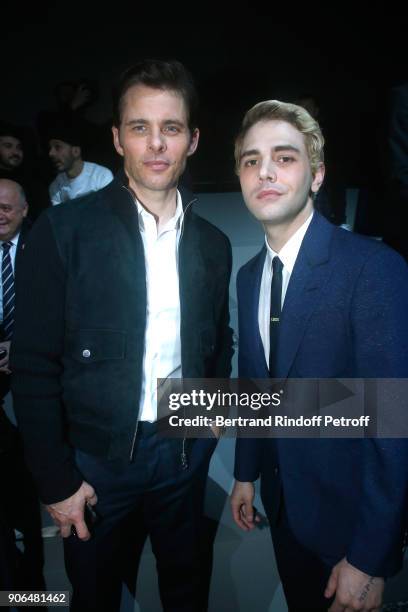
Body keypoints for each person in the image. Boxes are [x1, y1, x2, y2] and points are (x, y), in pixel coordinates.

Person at [11, 59, 233, 612]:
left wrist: (204, 431)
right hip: (95, 465)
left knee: (187, 592)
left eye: (171, 128)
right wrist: (57, 482)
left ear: (193, 140)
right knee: (96, 595)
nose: (156, 145)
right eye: (140, 128)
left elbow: (217, 344)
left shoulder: (212, 244)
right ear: (117, 138)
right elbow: (33, 367)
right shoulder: (63, 233)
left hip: (181, 453)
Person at [230, 100, 408, 611]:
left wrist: (370, 557)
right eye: (250, 160)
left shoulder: (372, 268)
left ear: (317, 174)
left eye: (284, 158)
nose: (263, 170)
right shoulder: (247, 278)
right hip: (285, 511)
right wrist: (246, 472)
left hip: (349, 531)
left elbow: (391, 424)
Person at [0, 179, 45, 599]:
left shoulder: (44, 247)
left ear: (25, 210)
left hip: (36, 375)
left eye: (7, 208)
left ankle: (34, 594)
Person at [47, 120, 113, 205]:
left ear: (76, 151)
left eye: (57, 147)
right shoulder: (55, 188)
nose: (51, 153)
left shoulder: (101, 176)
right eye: (50, 148)